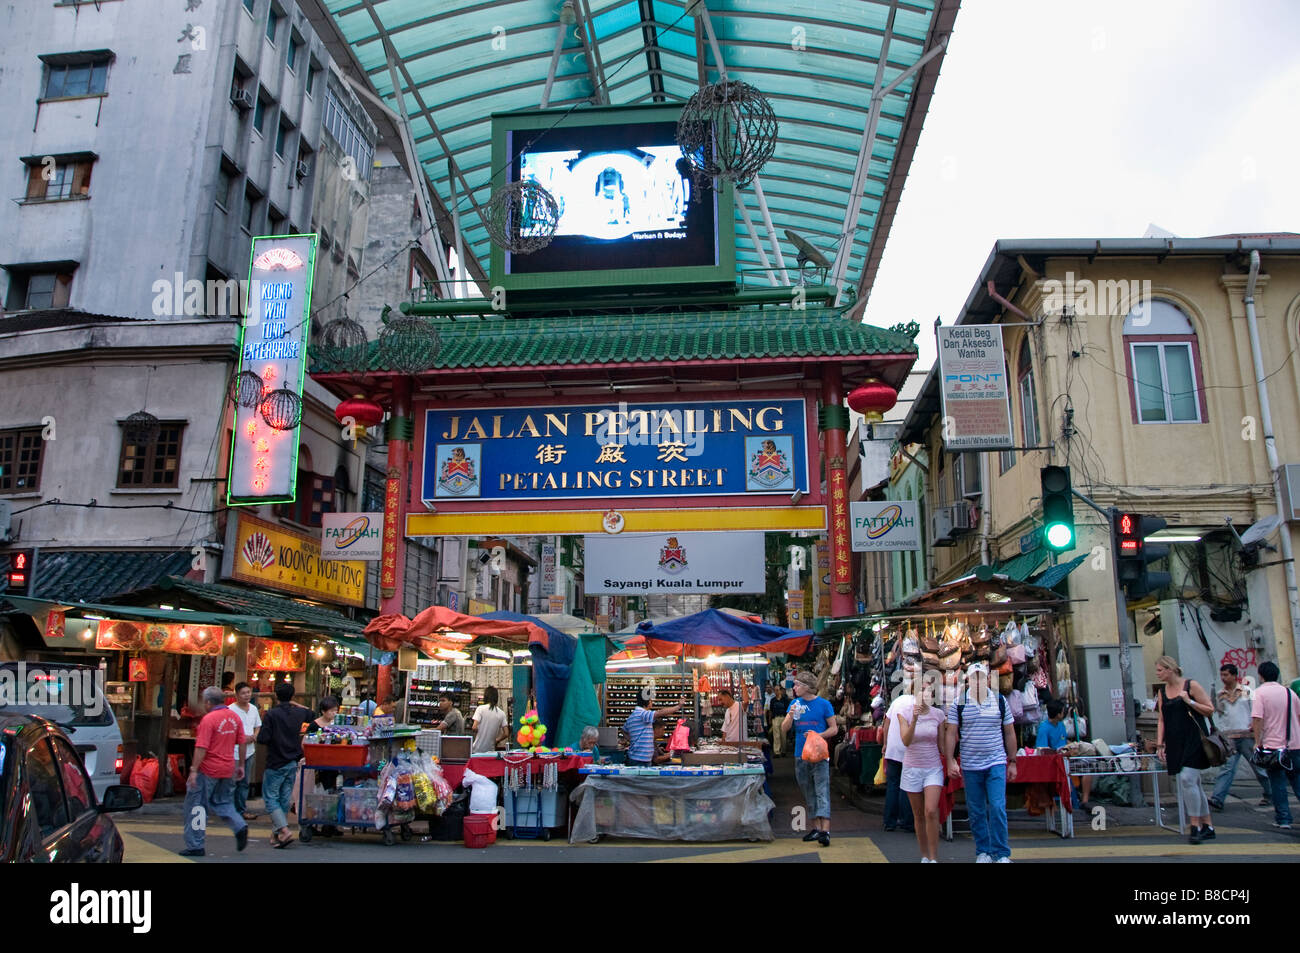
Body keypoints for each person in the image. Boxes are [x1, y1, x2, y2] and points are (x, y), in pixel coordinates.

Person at [943, 663, 1016, 863]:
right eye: (974, 678)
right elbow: (951, 733)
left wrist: (1013, 761)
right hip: (970, 765)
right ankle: (983, 851)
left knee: (998, 806)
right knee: (976, 810)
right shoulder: (959, 703)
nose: (978, 681)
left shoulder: (1000, 701)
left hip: (996, 762)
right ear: (968, 680)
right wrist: (950, 761)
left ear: (988, 680)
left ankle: (1001, 853)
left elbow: (1009, 732)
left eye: (981, 677)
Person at [180, 686, 249, 857]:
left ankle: (196, 844)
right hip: (228, 767)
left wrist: (193, 770)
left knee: (196, 806)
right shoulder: (235, 718)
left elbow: (201, 747)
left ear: (209, 702)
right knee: (223, 801)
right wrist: (241, 765)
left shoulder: (209, 719)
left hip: (208, 769)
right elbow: (242, 742)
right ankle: (239, 825)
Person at [1153, 655, 1215, 844]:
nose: (1158, 673)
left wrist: (1190, 701)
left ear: (1170, 669)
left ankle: (1194, 825)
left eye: (1160, 670)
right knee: (1193, 784)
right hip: (1175, 741)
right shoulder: (1162, 692)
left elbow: (1209, 709)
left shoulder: (1191, 686)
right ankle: (1208, 825)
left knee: (1188, 780)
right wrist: (1160, 743)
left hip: (1195, 738)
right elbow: (1162, 719)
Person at [784, 671, 838, 847]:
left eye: (798, 684)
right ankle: (816, 828)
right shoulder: (794, 704)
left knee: (822, 789)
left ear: (806, 687)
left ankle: (825, 830)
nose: (795, 688)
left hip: (819, 754)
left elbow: (834, 729)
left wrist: (818, 735)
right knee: (808, 790)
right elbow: (784, 729)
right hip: (801, 754)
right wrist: (790, 715)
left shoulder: (824, 704)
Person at [1209, 663, 1272, 811]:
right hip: (1229, 736)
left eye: (1226, 675)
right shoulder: (1220, 694)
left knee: (1259, 767)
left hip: (1246, 734)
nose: (1223, 678)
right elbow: (1219, 713)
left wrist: (1256, 731)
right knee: (1227, 768)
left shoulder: (1248, 691)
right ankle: (1217, 798)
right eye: (1222, 675)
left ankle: (1270, 794)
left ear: (1234, 675)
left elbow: (1255, 712)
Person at [257, 682, 310, 848]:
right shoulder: (300, 713)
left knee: (271, 798)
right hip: (292, 761)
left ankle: (284, 831)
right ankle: (276, 834)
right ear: (293, 697)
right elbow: (312, 713)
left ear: (275, 696)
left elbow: (263, 738)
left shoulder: (272, 715)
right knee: (284, 799)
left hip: (275, 761)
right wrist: (296, 704)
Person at [898, 679, 946, 862]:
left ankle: (934, 857)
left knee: (931, 811)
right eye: (921, 691)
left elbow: (941, 744)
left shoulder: (938, 715)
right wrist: (915, 719)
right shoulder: (905, 713)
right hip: (912, 767)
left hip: (932, 767)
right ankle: (924, 855)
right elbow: (906, 741)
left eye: (928, 691)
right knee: (918, 815)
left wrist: (951, 760)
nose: (925, 694)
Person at [1251, 660, 1300, 830]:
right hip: (1295, 744)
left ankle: (1284, 819)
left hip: (1273, 746)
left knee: (1278, 784)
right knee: (1297, 781)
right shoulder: (1290, 693)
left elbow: (1257, 719)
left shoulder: (1259, 693)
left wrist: (1257, 742)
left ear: (1261, 675)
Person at [1036, 700, 1095, 811]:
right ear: (1058, 714)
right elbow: (1042, 750)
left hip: (1067, 756)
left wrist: (1074, 747)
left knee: (1088, 764)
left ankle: (1085, 801)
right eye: (1063, 712)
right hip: (1054, 761)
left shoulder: (1061, 725)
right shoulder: (1044, 728)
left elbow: (1063, 741)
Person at [623, 688, 686, 766]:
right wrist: (678, 706)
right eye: (651, 700)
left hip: (638, 758)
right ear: (648, 701)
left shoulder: (633, 716)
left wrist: (633, 740)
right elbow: (660, 713)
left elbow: (624, 731)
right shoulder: (642, 714)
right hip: (640, 760)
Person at [230, 682, 262, 821]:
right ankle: (230, 810)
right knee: (232, 782)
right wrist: (241, 738)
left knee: (244, 782)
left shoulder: (254, 709)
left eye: (248, 692)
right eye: (243, 693)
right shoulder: (230, 710)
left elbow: (258, 725)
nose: (247, 695)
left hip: (250, 751)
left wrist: (254, 736)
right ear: (236, 695)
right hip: (234, 752)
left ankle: (241, 810)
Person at [471, 686, 509, 754]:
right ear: (496, 698)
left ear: (485, 697)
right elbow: (506, 733)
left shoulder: (480, 709)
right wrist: (497, 740)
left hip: (477, 749)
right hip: (491, 751)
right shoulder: (501, 713)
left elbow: (474, 727)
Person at [768, 686, 790, 757]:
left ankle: (783, 750)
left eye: (777, 690)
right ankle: (777, 752)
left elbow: (787, 711)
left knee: (783, 735)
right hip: (775, 718)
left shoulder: (785, 700)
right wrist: (770, 719)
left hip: (783, 718)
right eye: (775, 690)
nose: (776, 692)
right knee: (776, 735)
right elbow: (771, 710)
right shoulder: (773, 700)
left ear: (780, 691)